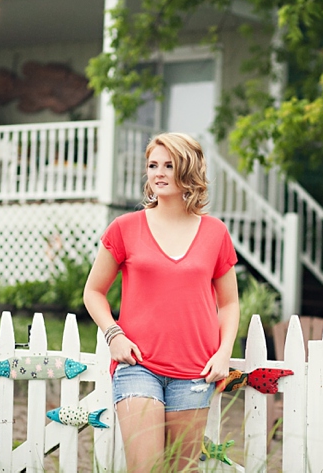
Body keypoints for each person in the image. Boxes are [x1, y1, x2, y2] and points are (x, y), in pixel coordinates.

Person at [83, 132, 240, 472]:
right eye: (153, 165)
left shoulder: (215, 233)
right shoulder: (124, 228)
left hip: (195, 371)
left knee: (180, 470)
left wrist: (223, 353)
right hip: (139, 366)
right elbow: (93, 291)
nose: (159, 173)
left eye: (169, 165)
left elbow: (228, 304)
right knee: (146, 468)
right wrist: (114, 334)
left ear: (188, 171)